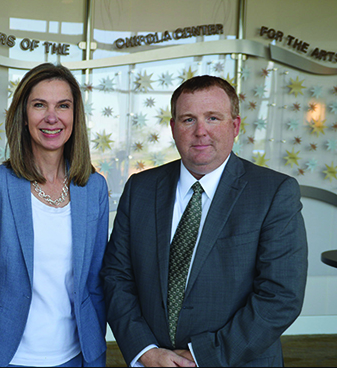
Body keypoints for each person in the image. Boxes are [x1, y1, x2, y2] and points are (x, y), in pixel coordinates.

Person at [102, 75, 308, 367]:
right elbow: (116, 277)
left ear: (235, 126)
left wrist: (203, 356)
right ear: (173, 128)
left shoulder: (273, 192)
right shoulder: (141, 188)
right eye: (188, 120)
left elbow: (281, 296)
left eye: (213, 118)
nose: (201, 131)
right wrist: (144, 350)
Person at [0, 63, 109, 367]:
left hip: (75, 356)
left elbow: (95, 283)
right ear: (23, 114)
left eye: (63, 106)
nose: (52, 117)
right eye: (39, 105)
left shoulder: (93, 187)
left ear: (75, 116)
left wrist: (96, 356)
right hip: (4, 357)